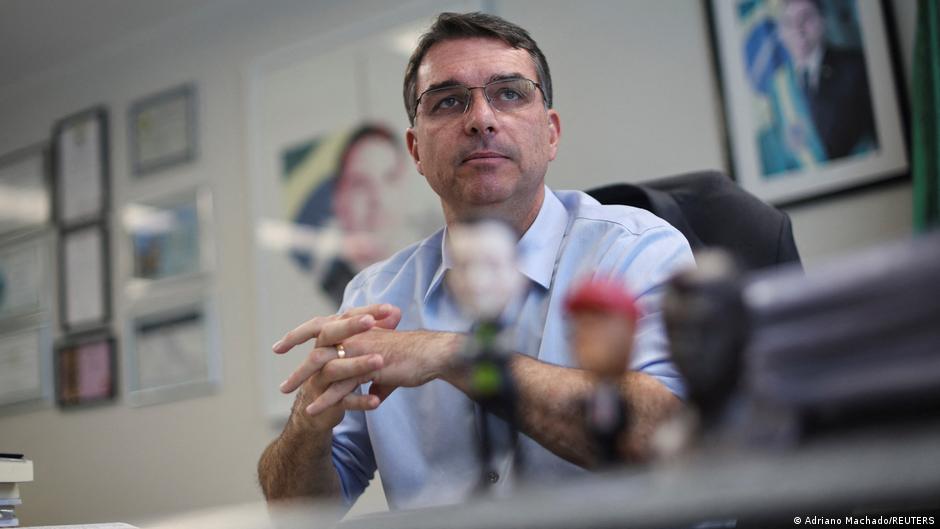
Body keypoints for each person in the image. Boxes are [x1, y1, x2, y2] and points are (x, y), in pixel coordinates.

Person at [257, 11, 695, 510]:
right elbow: (295, 513)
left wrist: (456, 356)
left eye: (509, 93)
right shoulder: (374, 296)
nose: (481, 119)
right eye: (448, 101)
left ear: (551, 133)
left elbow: (671, 438)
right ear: (416, 151)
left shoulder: (636, 249)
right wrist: (308, 420)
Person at [777, 0, 877, 161]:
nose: (797, 29)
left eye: (805, 18)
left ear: (823, 21)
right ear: (781, 32)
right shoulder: (779, 87)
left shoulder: (856, 67)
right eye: (788, 22)